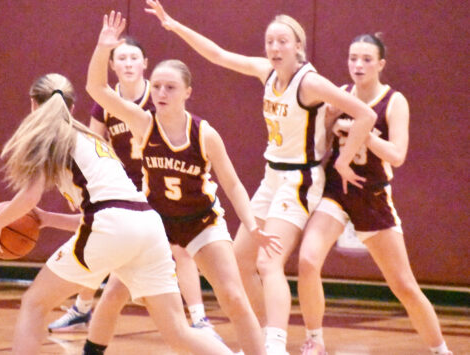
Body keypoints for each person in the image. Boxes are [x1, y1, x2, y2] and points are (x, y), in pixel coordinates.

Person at [145, 2, 377, 353]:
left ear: (298, 45)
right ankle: (262, 334)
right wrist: (174, 25)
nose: (275, 48)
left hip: (299, 180)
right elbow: (218, 54)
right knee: (240, 260)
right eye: (270, 41)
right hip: (272, 177)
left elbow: (364, 115)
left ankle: (275, 343)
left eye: (283, 41)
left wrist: (342, 161)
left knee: (270, 261)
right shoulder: (264, 71)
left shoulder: (310, 83)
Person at [0, 72, 234, 355]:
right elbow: (108, 213)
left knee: (34, 303)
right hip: (148, 224)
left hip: (113, 224)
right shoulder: (89, 138)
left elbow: (29, 197)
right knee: (178, 332)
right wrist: (48, 219)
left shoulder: (49, 137)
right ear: (72, 108)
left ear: (33, 105)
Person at [86, 11, 283, 355]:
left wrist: (251, 225)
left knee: (233, 296)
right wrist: (104, 48)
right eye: (157, 86)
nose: (160, 92)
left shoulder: (204, 134)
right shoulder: (142, 122)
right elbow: (96, 88)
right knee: (116, 289)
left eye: (170, 87)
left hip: (200, 222)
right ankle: (91, 350)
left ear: (187, 92)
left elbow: (234, 185)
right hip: (156, 223)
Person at [48, 35, 218, 338]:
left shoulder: (157, 101)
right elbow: (93, 143)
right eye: (121, 58)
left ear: (145, 64)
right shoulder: (106, 105)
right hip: (122, 190)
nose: (127, 63)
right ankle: (83, 307)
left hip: (160, 184)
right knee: (98, 242)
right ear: (111, 65)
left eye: (133, 58)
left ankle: (199, 318)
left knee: (180, 249)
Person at [297, 34, 453, 355]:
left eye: (367, 59)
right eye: (353, 58)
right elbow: (321, 148)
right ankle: (315, 340)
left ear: (380, 64)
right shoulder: (340, 95)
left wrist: (363, 132)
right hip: (337, 190)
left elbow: (397, 155)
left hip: (373, 196)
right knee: (308, 260)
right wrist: (327, 121)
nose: (358, 65)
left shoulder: (394, 101)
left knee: (404, 286)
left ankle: (440, 350)